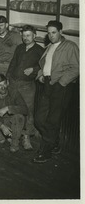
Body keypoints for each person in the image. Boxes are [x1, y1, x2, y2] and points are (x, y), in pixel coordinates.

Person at [33, 20, 79, 163]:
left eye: (54, 32)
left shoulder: (70, 46)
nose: (51, 35)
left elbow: (76, 67)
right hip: (48, 85)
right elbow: (45, 65)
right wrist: (40, 75)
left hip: (61, 87)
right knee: (39, 119)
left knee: (53, 121)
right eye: (48, 33)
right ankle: (54, 142)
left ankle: (45, 152)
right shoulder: (49, 46)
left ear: (60, 32)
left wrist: (61, 83)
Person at [7, 25, 44, 150]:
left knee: (28, 111)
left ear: (34, 35)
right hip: (13, 83)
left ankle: (26, 137)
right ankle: (13, 135)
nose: (26, 38)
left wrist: (34, 69)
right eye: (24, 35)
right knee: (13, 109)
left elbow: (45, 66)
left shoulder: (40, 50)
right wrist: (8, 77)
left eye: (28, 35)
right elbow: (13, 63)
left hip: (27, 86)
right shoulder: (19, 48)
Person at [0, 15, 22, 83]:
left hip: (10, 66)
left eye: (1, 25)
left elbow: (21, 52)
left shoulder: (15, 36)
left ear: (6, 25)